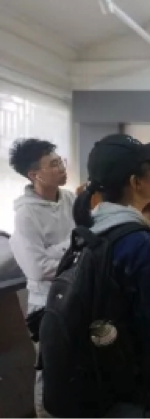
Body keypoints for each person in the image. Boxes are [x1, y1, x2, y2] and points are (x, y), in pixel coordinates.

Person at [72, 134, 150, 418]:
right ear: (135, 182)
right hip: (139, 390)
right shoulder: (138, 243)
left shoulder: (92, 229)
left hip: (104, 382)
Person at [8, 138, 75, 419]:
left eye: (61, 161)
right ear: (34, 174)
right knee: (49, 369)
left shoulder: (70, 199)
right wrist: (72, 248)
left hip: (75, 294)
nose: (61, 168)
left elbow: (88, 243)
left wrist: (61, 251)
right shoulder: (25, 215)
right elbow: (38, 269)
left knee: (75, 368)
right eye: (54, 164)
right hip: (45, 305)